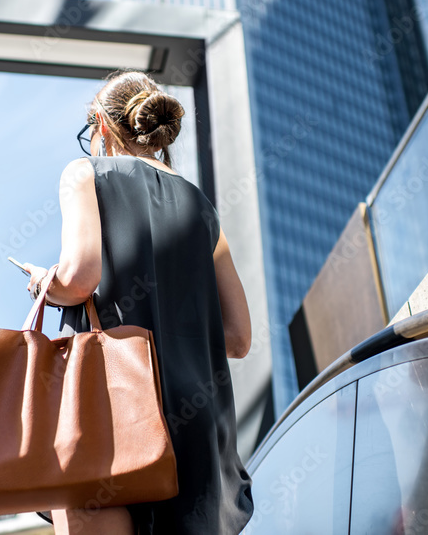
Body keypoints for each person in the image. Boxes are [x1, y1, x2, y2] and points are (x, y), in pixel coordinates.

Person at [21, 70, 255, 534]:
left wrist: (45, 282)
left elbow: (80, 277)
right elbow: (239, 337)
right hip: (198, 427)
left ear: (102, 126)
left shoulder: (84, 173)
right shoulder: (203, 208)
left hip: (111, 409)